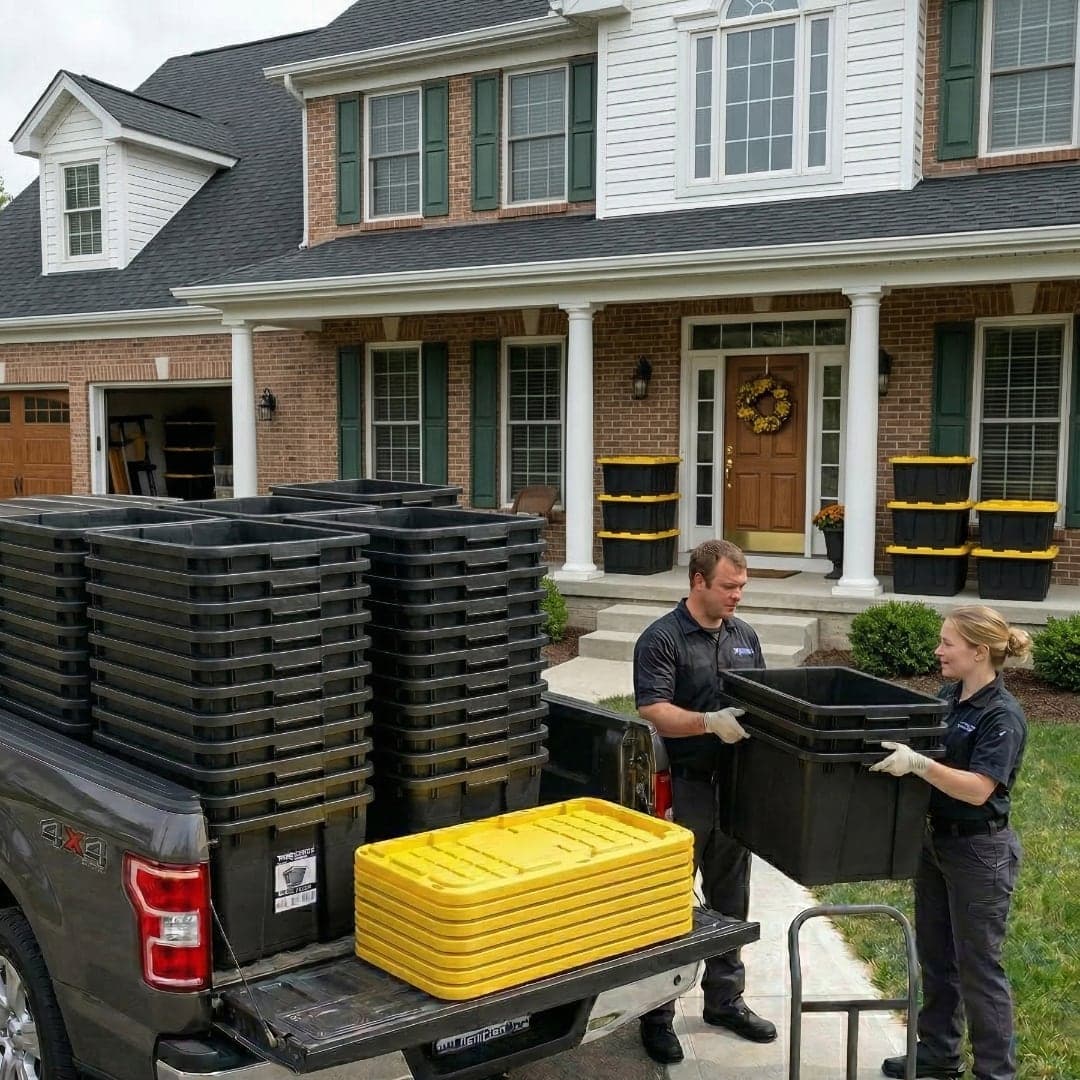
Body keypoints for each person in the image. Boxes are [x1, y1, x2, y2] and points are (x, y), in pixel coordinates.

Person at [869, 606, 1031, 1080]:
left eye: (948, 644)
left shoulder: (1002, 716)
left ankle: (995, 1073)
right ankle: (939, 1054)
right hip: (935, 844)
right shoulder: (950, 696)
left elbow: (980, 789)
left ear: (979, 651)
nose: (938, 651)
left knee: (980, 969)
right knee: (937, 956)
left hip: (980, 853)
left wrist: (920, 765)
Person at [632, 539, 777, 1065]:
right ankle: (656, 1014)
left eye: (741, 587)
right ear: (698, 582)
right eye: (728, 587)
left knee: (730, 898)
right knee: (671, 902)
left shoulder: (744, 636)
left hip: (734, 787)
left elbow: (759, 699)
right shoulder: (662, 639)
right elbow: (653, 710)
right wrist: (708, 723)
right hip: (683, 788)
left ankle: (725, 1000)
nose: (737, 595)